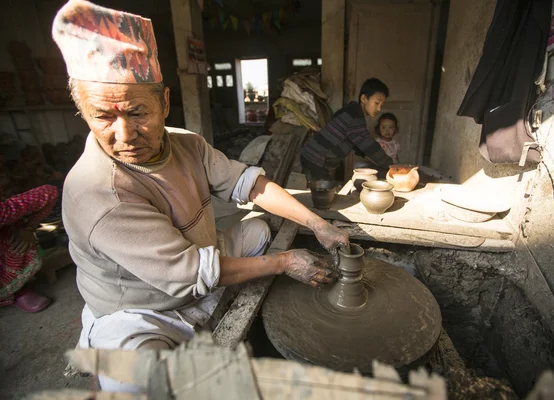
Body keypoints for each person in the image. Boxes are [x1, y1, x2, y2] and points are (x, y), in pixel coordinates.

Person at [52, 0, 349, 391]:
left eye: (137, 112)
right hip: (142, 308)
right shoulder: (97, 193)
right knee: (137, 382)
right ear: (84, 114)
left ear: (165, 103)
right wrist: (283, 263)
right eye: (103, 117)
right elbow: (191, 272)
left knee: (259, 231)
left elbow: (250, 185)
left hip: (199, 253)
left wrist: (318, 224)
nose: (124, 135)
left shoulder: (187, 144)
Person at [300, 78, 393, 181]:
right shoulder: (354, 117)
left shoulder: (350, 111)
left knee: (323, 189)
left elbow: (358, 142)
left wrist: (365, 153)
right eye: (376, 103)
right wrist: (392, 166)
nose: (379, 109)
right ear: (364, 98)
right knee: (323, 191)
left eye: (381, 105)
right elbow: (369, 146)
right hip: (315, 159)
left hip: (314, 157)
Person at [0, 184, 59, 312]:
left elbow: (49, 192)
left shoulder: (3, 212)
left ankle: (16, 290)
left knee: (13, 235)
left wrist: (29, 228)